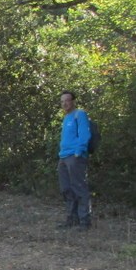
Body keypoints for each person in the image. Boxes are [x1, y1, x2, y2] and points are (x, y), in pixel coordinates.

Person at [57, 90, 92, 229]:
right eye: (62, 101)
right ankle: (72, 219)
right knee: (66, 188)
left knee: (79, 187)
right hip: (64, 156)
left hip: (75, 156)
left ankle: (85, 221)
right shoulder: (66, 118)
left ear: (73, 101)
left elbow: (85, 134)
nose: (65, 103)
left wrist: (79, 151)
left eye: (67, 100)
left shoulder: (80, 114)